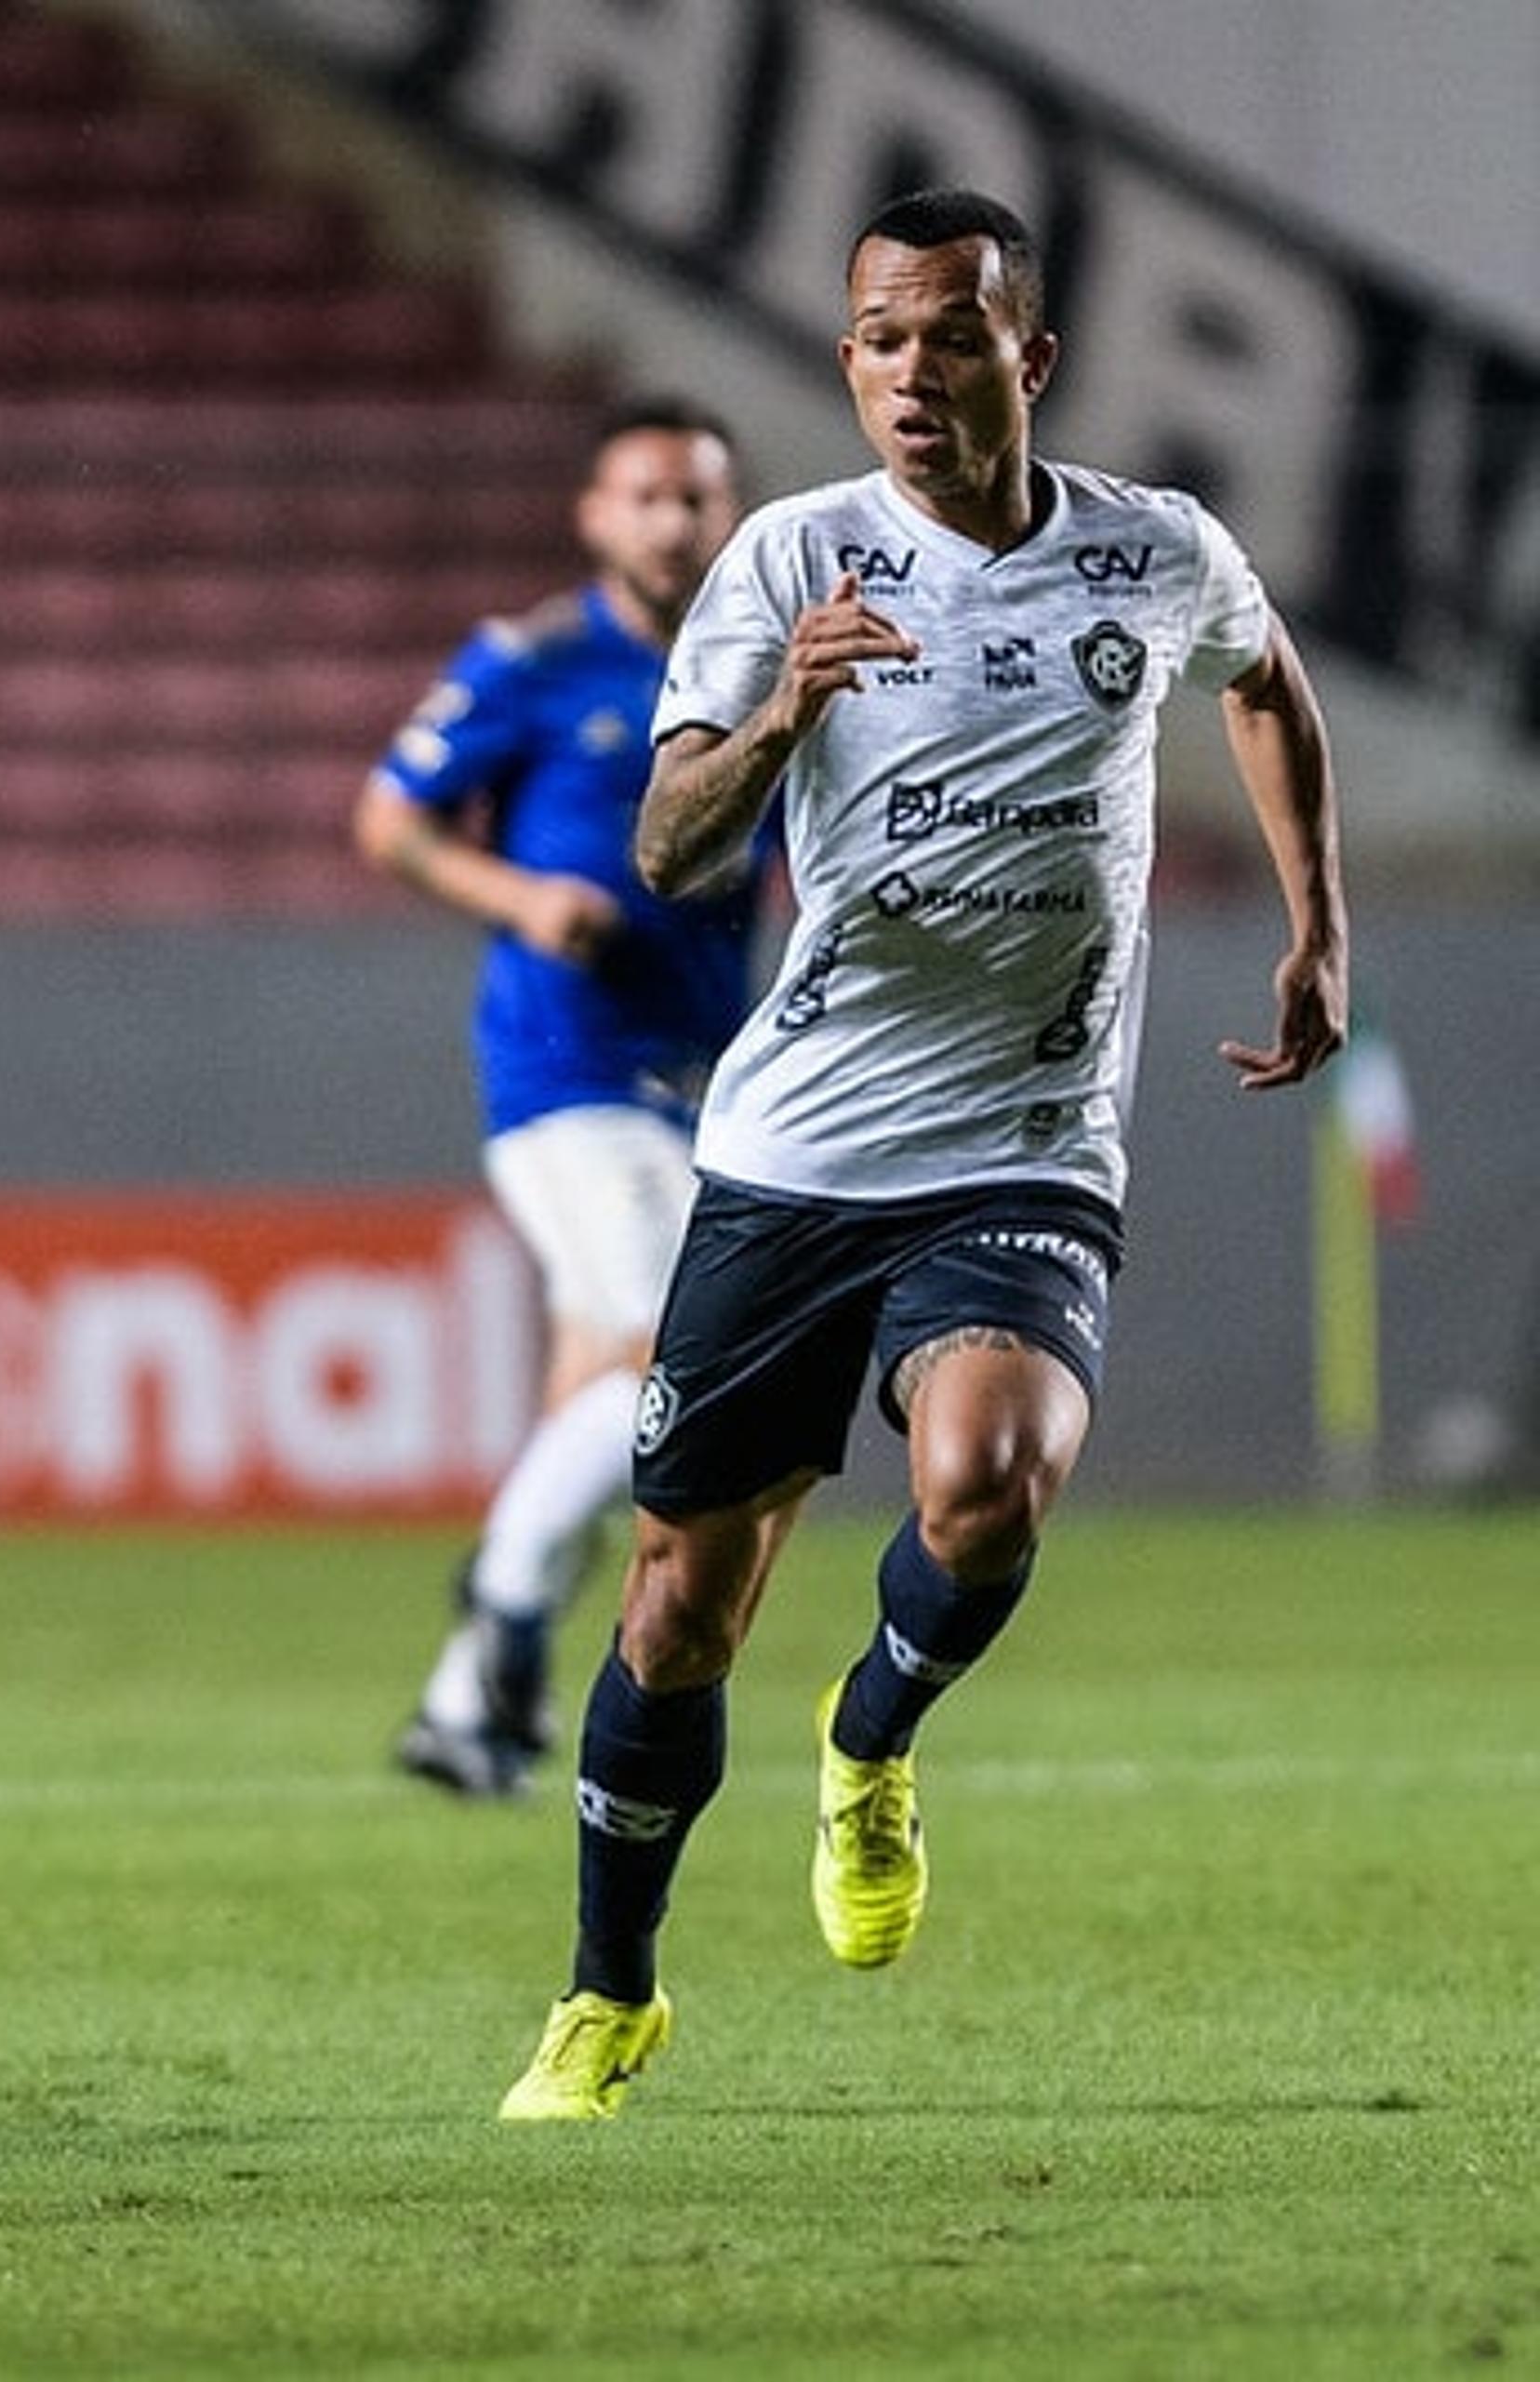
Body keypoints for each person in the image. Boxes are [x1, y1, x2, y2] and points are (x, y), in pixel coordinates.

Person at [497, 187, 1348, 2119]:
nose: (907, 372)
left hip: (1028, 1144)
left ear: (1026, 359)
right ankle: (607, 1995)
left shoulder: (1152, 551)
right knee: (675, 1608)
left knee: (987, 1489)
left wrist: (1319, 922)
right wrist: (786, 704)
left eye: (946, 335)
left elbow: (1268, 681)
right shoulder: (792, 562)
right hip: (796, 1155)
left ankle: (870, 1739)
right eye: (876, 339)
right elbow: (663, 847)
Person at [358, 398, 756, 1801]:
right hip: (569, 1075)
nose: (675, 521)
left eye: (699, 497)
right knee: (672, 1368)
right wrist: (520, 894)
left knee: (599, 1403)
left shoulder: (756, 665)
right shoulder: (533, 661)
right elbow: (390, 816)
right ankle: (511, 1596)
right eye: (647, 494)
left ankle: (466, 1710)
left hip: (700, 1083)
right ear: (596, 515)